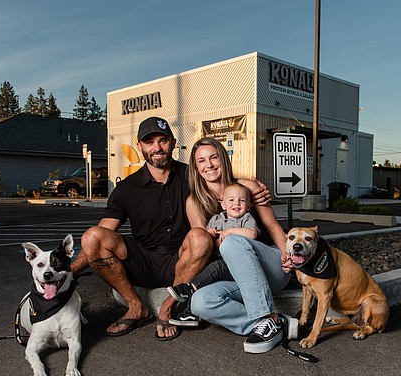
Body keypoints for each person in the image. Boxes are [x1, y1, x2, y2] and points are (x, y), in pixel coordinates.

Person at [72, 117, 272, 340]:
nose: (157, 148)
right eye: (149, 142)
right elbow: (100, 236)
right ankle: (136, 307)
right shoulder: (127, 188)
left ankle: (168, 309)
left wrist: (252, 188)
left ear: (173, 143)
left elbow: (223, 181)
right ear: (140, 147)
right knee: (92, 237)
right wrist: (68, 273)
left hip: (184, 260)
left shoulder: (193, 176)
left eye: (163, 141)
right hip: (143, 261)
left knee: (200, 236)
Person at [185, 137, 298, 354]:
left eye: (214, 157)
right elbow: (204, 248)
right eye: (201, 161)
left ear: (223, 159)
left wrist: (287, 255)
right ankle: (275, 323)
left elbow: (273, 227)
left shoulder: (248, 187)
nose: (209, 165)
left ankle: (267, 317)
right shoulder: (194, 202)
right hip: (236, 275)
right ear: (196, 168)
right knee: (200, 302)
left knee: (233, 241)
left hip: (270, 265)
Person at [168, 182, 259, 326]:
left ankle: (189, 288)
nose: (236, 203)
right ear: (223, 205)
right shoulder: (216, 219)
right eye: (231, 200)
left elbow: (252, 234)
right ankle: (191, 313)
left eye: (242, 200)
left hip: (235, 264)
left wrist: (229, 232)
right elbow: (206, 240)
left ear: (248, 206)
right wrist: (209, 234)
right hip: (215, 259)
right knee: (204, 273)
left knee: (216, 267)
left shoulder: (246, 219)